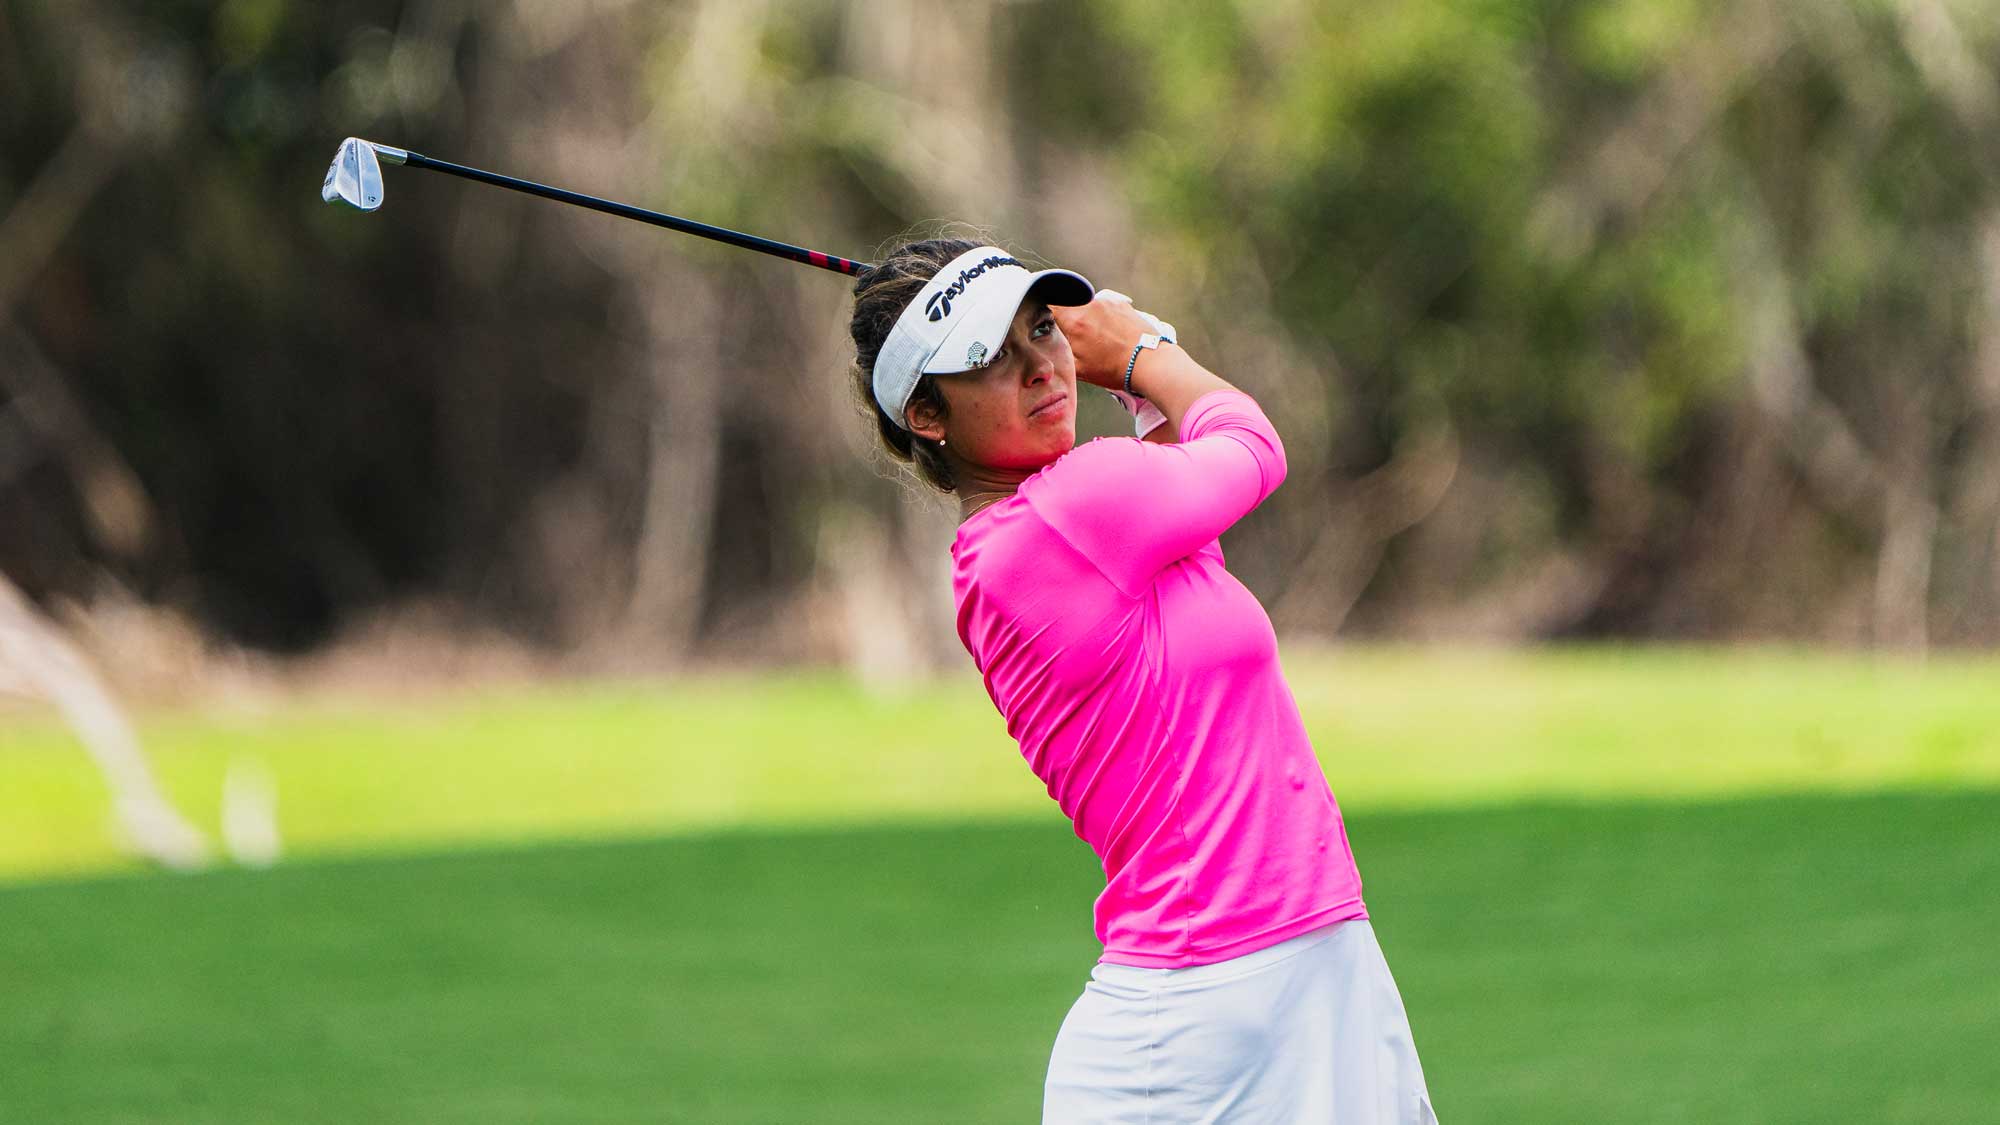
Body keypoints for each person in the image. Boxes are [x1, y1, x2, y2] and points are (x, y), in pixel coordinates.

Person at [848, 238, 1437, 1124]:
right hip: (1204, 1014)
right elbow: (1251, 445)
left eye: (1040, 328)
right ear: (929, 415)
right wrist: (1141, 351)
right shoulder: (1072, 507)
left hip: (1299, 964)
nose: (1041, 366)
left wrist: (1136, 383)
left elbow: (1184, 535)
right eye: (991, 358)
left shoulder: (1052, 531)